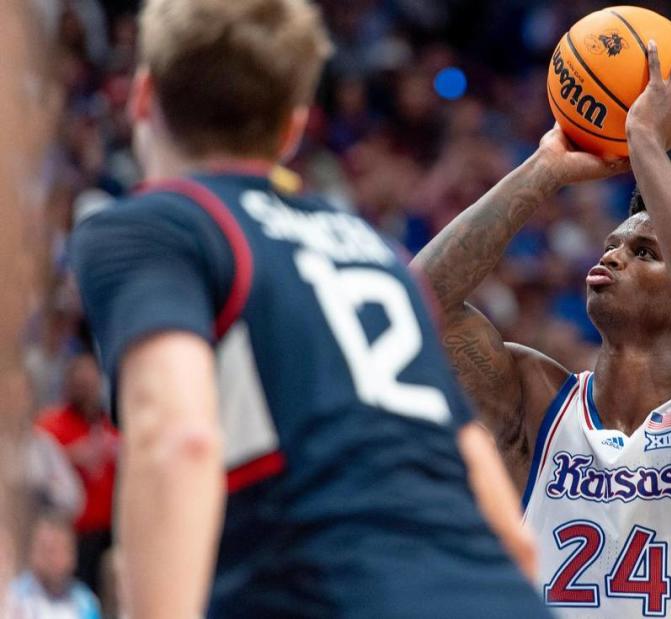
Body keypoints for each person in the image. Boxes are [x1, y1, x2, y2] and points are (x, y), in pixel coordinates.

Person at [70, 1, 547, 618]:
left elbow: (176, 438)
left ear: (141, 96)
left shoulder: (154, 225)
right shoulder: (369, 250)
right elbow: (502, 521)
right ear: (292, 130)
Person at [413, 40, 671, 617]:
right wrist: (545, 170)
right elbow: (417, 304)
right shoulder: (537, 401)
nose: (614, 255)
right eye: (612, 243)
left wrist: (646, 145)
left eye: (644, 251)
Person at [36, 353, 118, 591]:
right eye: (80, 381)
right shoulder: (50, 424)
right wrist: (72, 455)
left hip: (111, 530)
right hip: (73, 533)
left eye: (91, 381)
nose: (86, 386)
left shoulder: (111, 425)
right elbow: (37, 462)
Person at [6, 511, 102, 619]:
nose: (56, 560)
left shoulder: (85, 601)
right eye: (49, 551)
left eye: (63, 550)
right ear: (33, 553)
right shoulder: (14, 598)